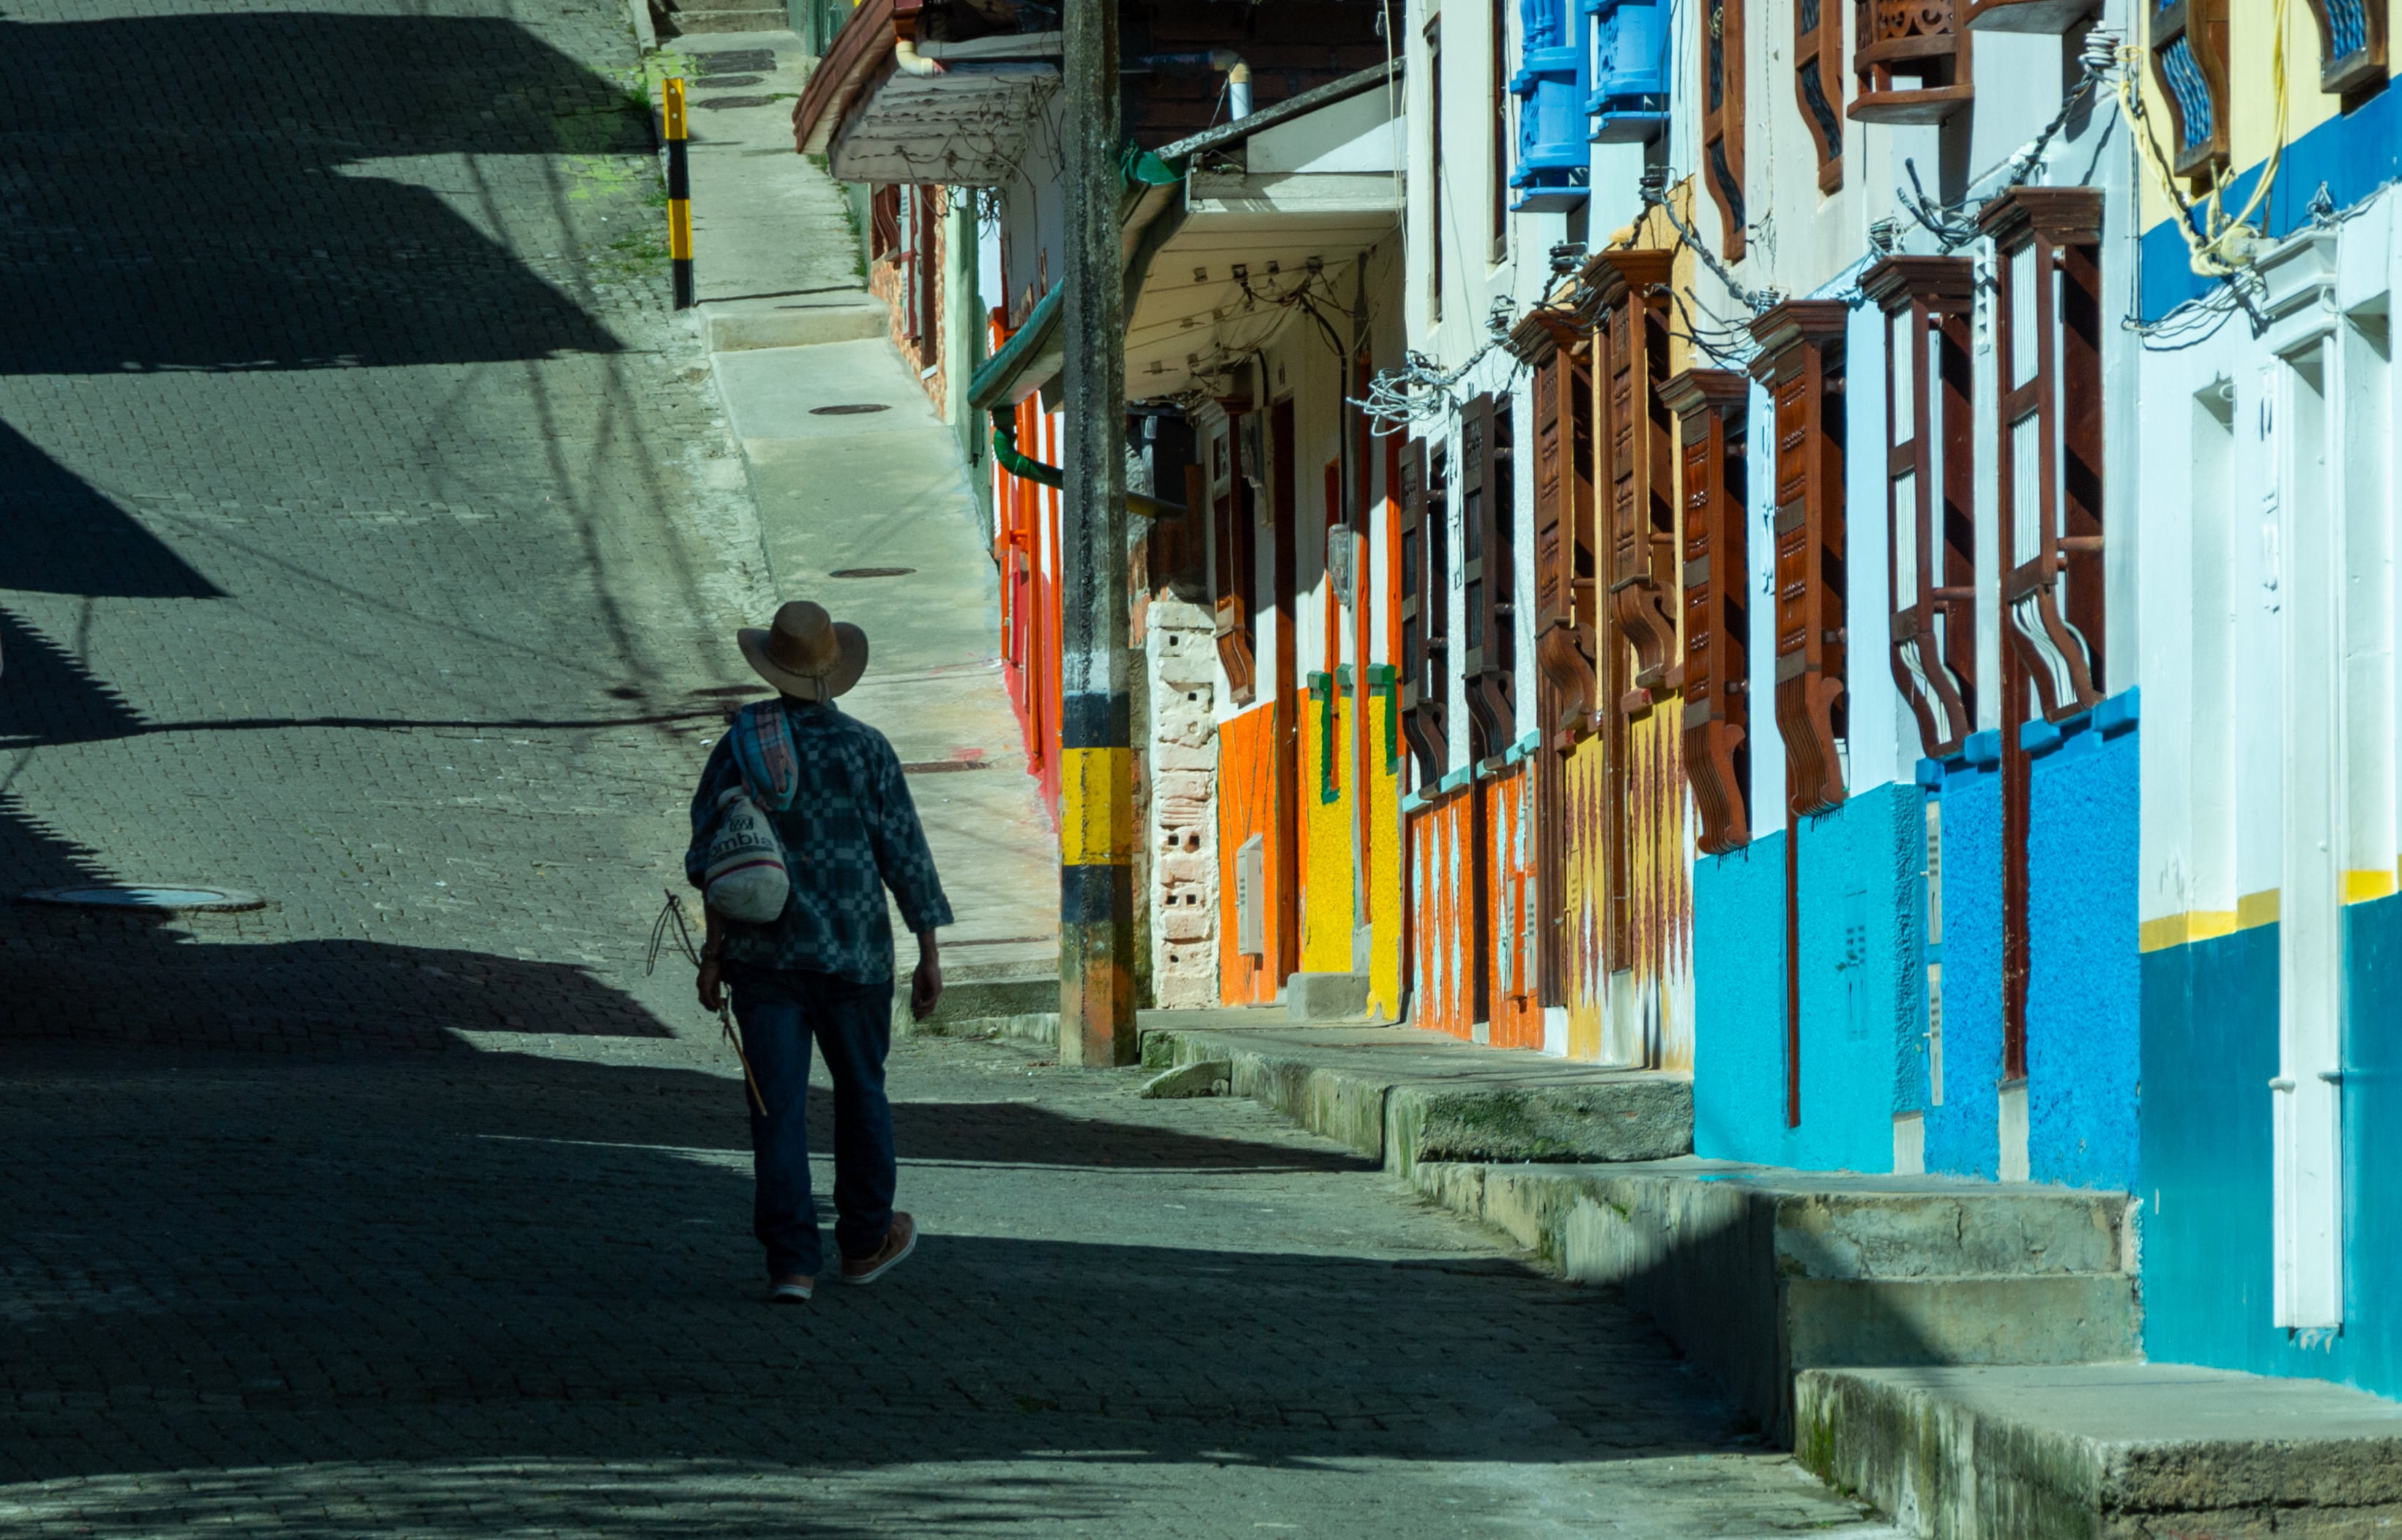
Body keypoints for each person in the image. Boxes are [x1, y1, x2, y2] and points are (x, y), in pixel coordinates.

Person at [685, 599, 951, 1303]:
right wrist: (928, 951)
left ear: (773, 669)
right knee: (863, 1094)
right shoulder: (867, 748)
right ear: (832, 671)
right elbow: (908, 857)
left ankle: (792, 1265)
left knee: (777, 1109)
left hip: (764, 962)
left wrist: (714, 955)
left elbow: (714, 859)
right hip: (856, 957)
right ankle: (864, 1241)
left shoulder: (742, 745)